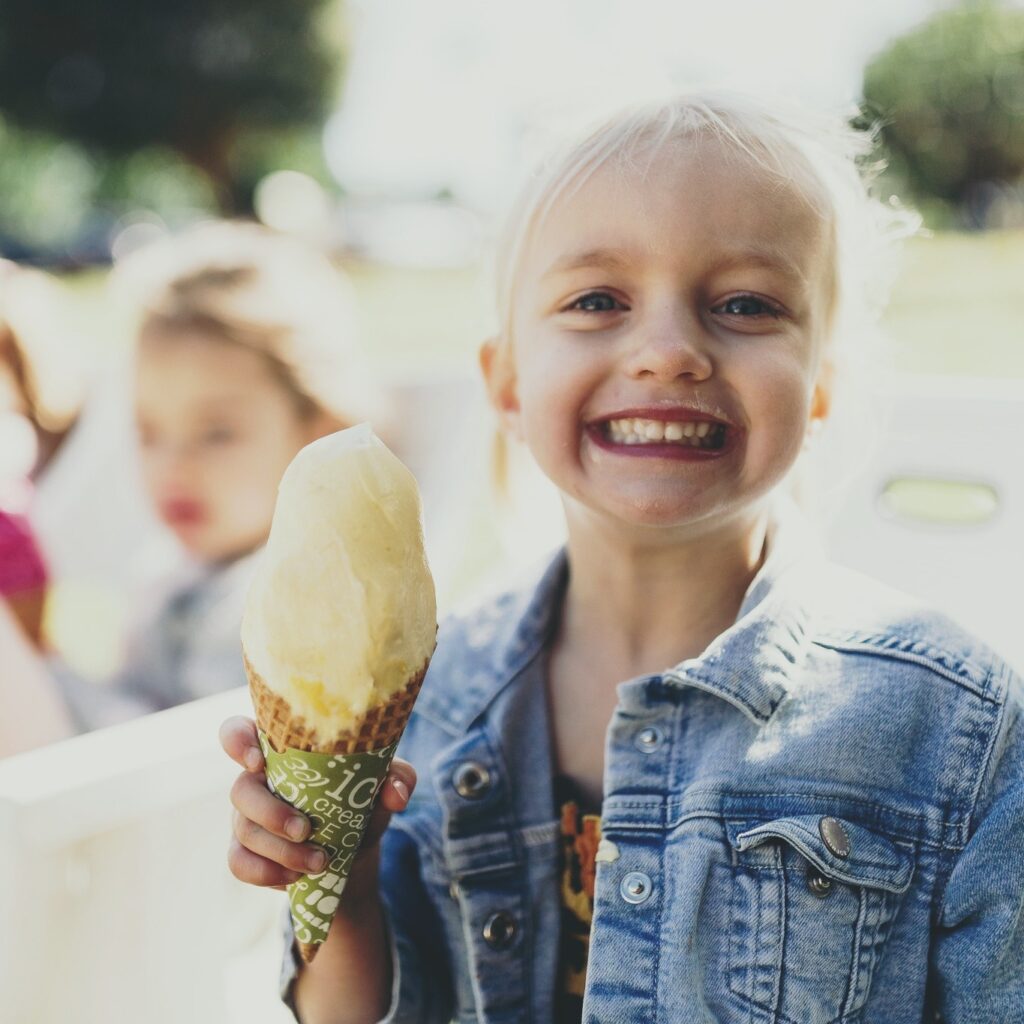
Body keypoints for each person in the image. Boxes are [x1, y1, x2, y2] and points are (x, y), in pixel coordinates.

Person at [220, 94, 1024, 1023]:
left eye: (746, 304)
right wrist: (343, 884)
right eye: (598, 300)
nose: (669, 351)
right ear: (508, 383)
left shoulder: (953, 729)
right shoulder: (428, 695)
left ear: (821, 389)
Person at [0, 222, 381, 749]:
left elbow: (182, 758)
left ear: (320, 436)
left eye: (216, 433)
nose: (174, 465)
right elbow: (131, 696)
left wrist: (43, 679)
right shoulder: (171, 569)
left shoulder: (288, 602)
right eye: (149, 432)